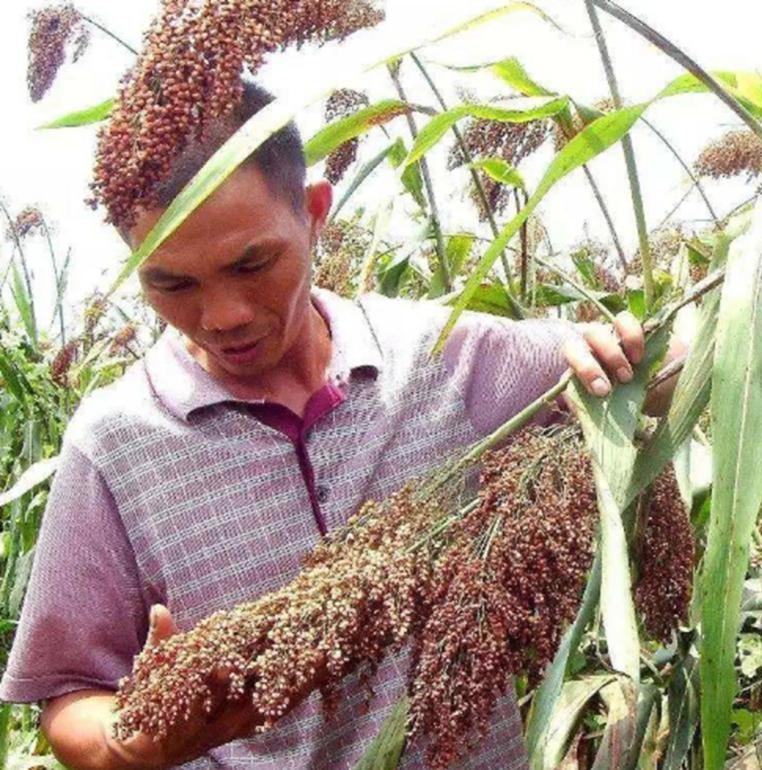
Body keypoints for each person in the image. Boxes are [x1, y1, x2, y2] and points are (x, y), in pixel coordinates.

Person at [0, 82, 683, 769]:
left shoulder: (441, 357)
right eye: (172, 285)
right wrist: (127, 742)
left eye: (252, 263)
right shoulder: (116, 442)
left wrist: (635, 356)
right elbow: (67, 695)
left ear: (314, 214)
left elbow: (664, 371)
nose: (224, 314)